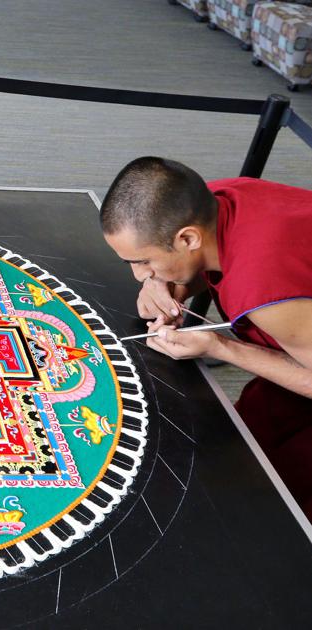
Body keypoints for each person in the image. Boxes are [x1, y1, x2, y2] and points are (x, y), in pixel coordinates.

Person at [99, 156, 312, 514]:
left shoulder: (263, 291)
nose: (139, 275)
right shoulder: (214, 198)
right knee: (236, 449)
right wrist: (167, 283)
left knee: (270, 505)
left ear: (187, 237)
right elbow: (210, 258)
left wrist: (221, 347)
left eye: (144, 261)